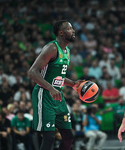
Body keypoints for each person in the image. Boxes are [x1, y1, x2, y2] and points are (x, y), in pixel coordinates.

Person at [28, 20, 84, 150]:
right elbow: (32, 72)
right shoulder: (52, 48)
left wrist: (73, 84)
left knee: (69, 136)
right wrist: (51, 88)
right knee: (49, 137)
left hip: (57, 97)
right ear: (61, 32)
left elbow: (58, 77)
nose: (73, 30)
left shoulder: (67, 51)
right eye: (70, 29)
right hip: (45, 94)